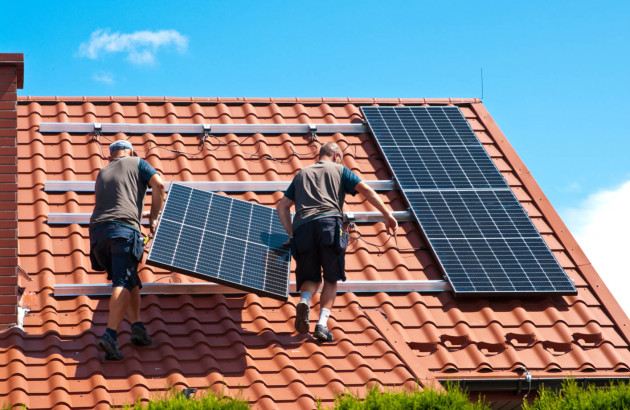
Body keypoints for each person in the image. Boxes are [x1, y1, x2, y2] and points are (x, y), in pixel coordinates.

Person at [276, 142, 398, 342]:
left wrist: (292, 234)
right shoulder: (340, 170)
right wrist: (387, 214)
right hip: (329, 225)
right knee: (331, 278)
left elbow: (282, 207)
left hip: (303, 228)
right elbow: (366, 190)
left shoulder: (301, 175)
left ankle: (305, 300)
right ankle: (322, 325)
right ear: (336, 155)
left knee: (311, 277)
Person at [89, 139, 165, 360]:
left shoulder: (102, 171)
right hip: (123, 230)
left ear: (111, 155)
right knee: (122, 282)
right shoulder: (138, 162)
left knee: (130, 278)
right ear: (131, 152)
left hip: (98, 234)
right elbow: (159, 185)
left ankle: (137, 327)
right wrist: (153, 218)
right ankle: (111, 335)